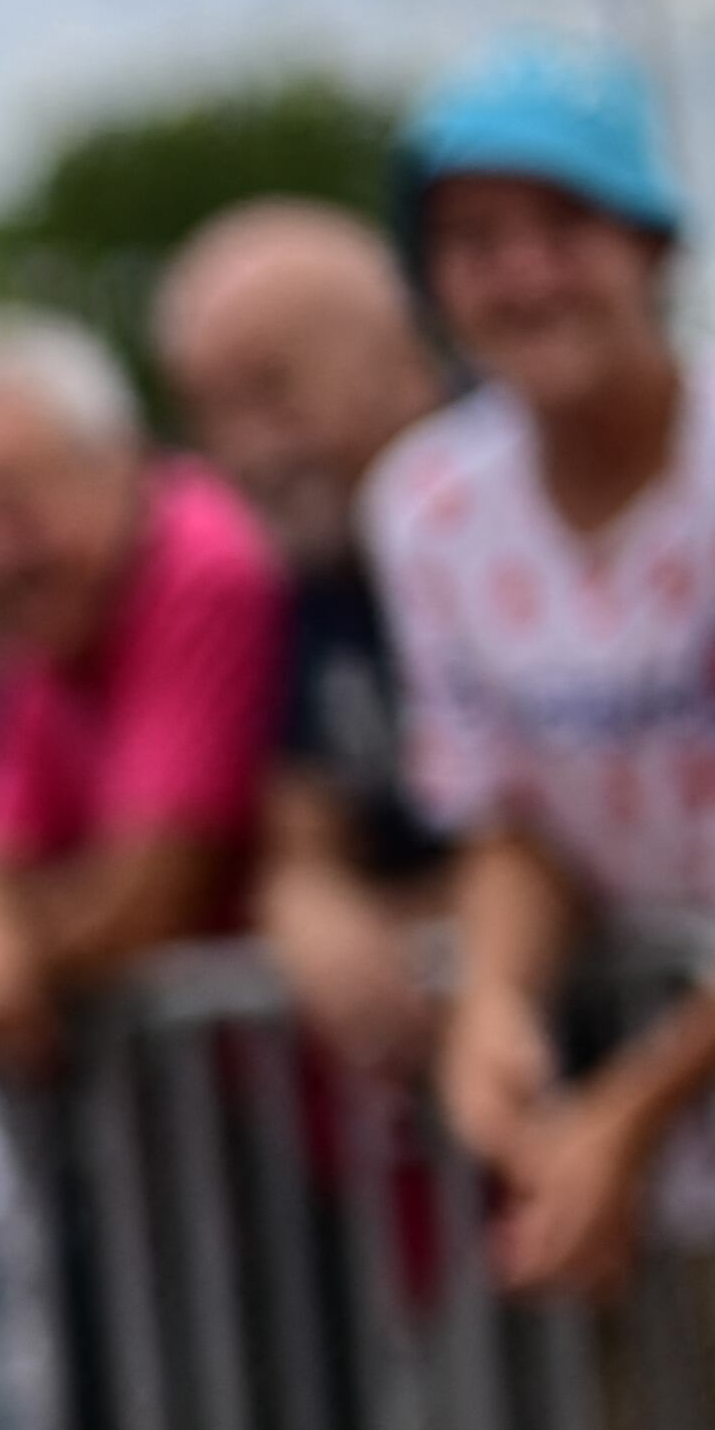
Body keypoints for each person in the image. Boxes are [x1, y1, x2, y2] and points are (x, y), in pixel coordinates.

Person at [368, 35, 715, 1294]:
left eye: (564, 222)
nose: (524, 273)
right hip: (651, 1158)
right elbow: (507, 811)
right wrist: (492, 1001)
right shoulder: (426, 506)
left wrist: (632, 1105)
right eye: (474, 240)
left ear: (650, 245)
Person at [0, 305, 285, 1071]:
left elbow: (149, 895)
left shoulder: (199, 565)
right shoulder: (53, 625)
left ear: (119, 458)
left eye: (12, 501)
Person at [153, 202, 458, 1067]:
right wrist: (305, 898)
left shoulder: (519, 519)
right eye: (210, 410)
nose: (248, 448)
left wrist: (412, 927)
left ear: (404, 363)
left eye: (273, 391)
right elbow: (302, 831)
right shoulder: (305, 583)